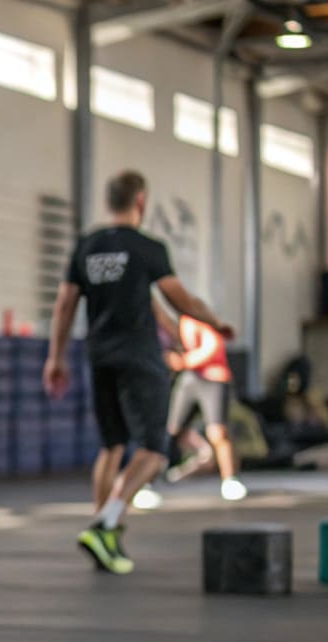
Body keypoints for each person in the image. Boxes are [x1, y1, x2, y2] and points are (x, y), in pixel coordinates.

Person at [44, 170, 233, 574]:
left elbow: (64, 306)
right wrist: (215, 323)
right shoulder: (147, 247)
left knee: (111, 446)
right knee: (153, 449)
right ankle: (105, 524)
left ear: (109, 200)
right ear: (141, 201)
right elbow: (181, 300)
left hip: (99, 354)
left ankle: (102, 535)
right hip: (139, 357)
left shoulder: (87, 245)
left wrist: (55, 358)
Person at [149, 300, 248, 501]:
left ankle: (230, 479)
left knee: (218, 432)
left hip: (214, 377)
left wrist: (184, 361)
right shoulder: (182, 323)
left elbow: (212, 347)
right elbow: (164, 319)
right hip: (191, 378)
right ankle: (147, 482)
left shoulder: (204, 321)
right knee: (171, 430)